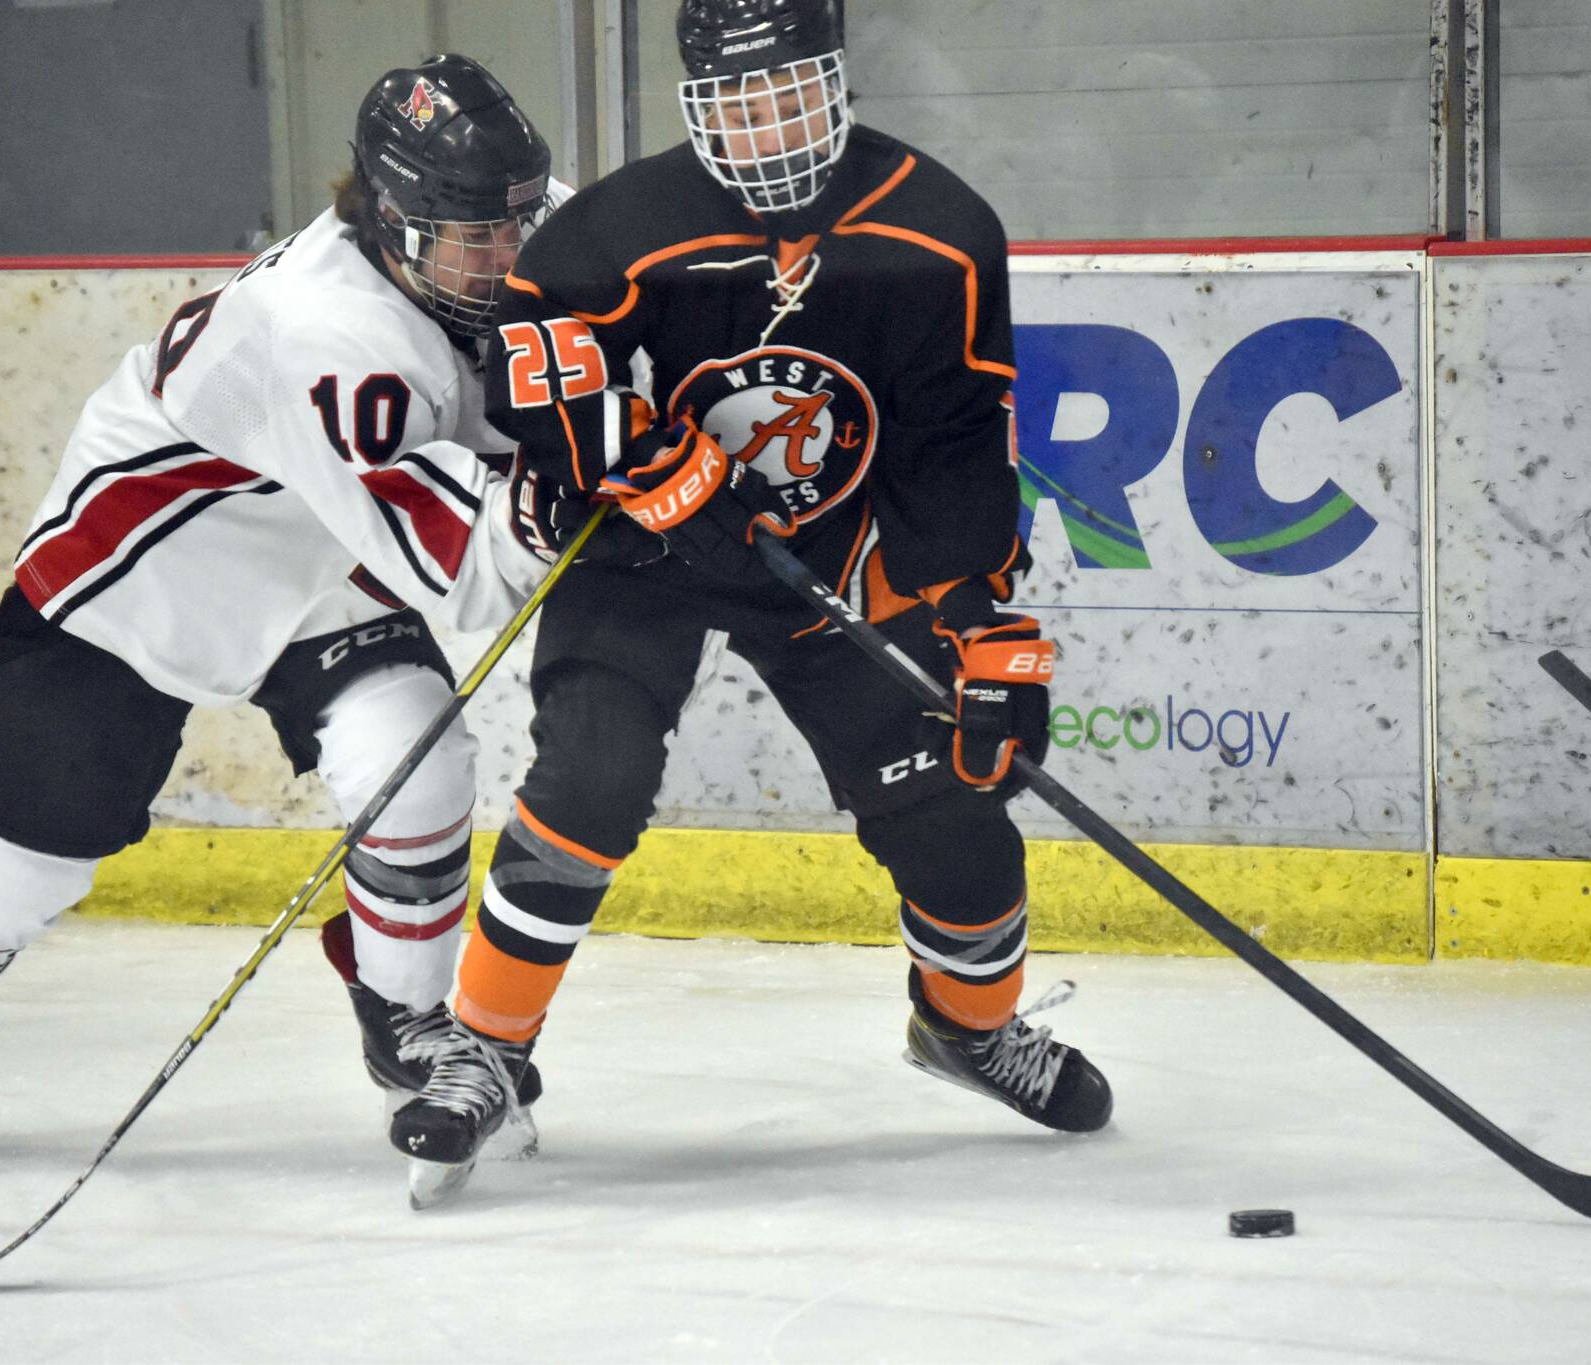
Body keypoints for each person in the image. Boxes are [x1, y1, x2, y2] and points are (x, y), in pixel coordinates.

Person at [0, 56, 568, 1162]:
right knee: (7, 879)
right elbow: (470, 570)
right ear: (389, 218)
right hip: (133, 588)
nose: (507, 257)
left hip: (318, 563)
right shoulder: (328, 337)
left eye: (517, 224)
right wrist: (595, 473)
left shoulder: (497, 225)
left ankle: (406, 1019)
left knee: (413, 756)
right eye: (478, 237)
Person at [389, 0, 1112, 1207]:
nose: (766, 124)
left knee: (950, 811)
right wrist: (628, 457)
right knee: (590, 780)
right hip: (641, 557)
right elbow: (540, 372)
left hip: (822, 564)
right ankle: (486, 1049)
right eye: (735, 101)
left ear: (835, 80)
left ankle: (966, 1029)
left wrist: (980, 618)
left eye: (787, 91)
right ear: (692, 104)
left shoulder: (938, 231)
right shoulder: (612, 229)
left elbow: (948, 442)